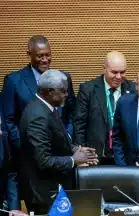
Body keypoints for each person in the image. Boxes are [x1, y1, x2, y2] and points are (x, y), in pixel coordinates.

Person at [1, 35, 76, 210]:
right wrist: (29, 146)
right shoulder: (14, 81)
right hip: (33, 161)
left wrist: (68, 142)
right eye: (40, 55)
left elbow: (70, 113)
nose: (45, 59)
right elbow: (9, 121)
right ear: (29, 54)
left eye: (48, 55)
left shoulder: (62, 78)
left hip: (61, 162)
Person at [18, 70, 97, 214]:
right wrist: (74, 160)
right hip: (43, 193)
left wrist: (75, 149)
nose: (67, 94)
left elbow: (55, 140)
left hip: (53, 188)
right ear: (49, 91)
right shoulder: (38, 117)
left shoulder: (46, 107)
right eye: (63, 91)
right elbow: (44, 161)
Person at [73, 51, 136, 165]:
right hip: (95, 157)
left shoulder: (133, 90)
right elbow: (79, 125)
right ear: (104, 69)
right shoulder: (88, 90)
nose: (118, 77)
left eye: (122, 72)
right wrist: (81, 155)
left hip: (124, 158)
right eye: (114, 72)